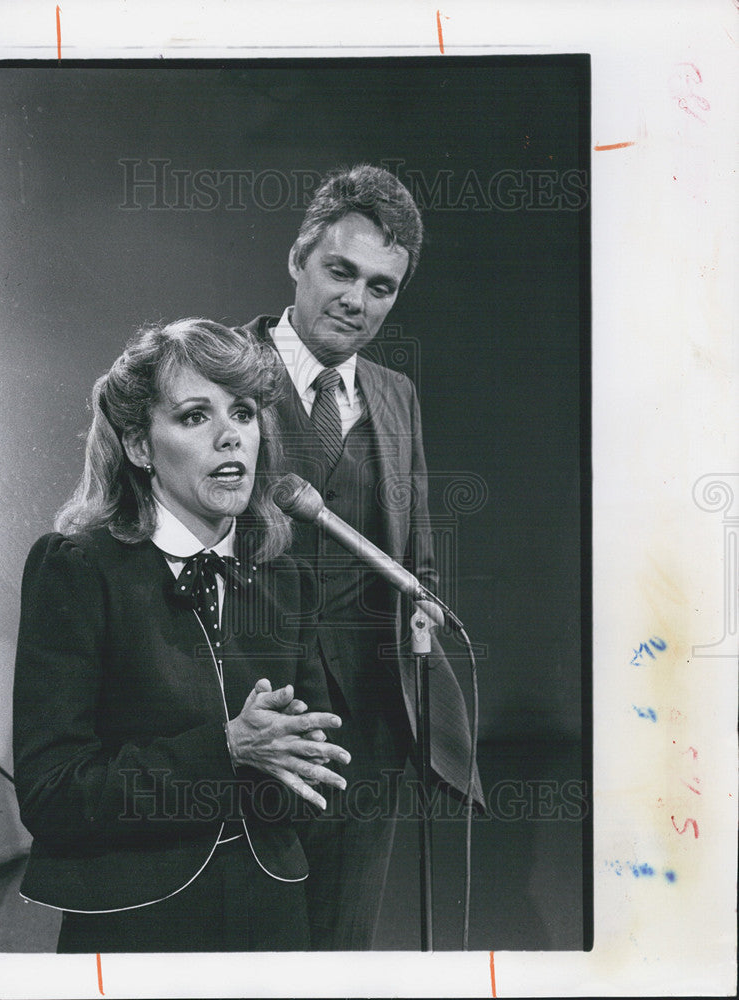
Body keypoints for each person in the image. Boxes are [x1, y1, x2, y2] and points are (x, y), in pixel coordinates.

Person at [12, 318, 350, 952]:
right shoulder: (77, 570)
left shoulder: (287, 580)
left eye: (244, 413)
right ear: (141, 447)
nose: (231, 437)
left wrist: (292, 768)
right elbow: (52, 793)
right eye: (196, 416)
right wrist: (222, 751)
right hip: (135, 921)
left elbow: (312, 774)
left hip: (272, 916)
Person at [240, 164, 486, 950]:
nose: (356, 299)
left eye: (381, 287)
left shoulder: (395, 393)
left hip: (370, 726)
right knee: (244, 949)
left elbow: (412, 547)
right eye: (340, 271)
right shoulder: (217, 366)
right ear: (297, 260)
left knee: (342, 948)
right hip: (248, 715)